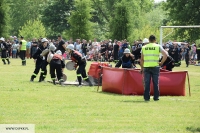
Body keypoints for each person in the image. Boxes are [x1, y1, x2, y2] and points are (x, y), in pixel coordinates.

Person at [140, 35, 168, 101]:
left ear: (149, 40)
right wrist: (161, 62)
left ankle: (146, 98)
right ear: (155, 40)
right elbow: (166, 54)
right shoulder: (158, 46)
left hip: (146, 67)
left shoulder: (144, 47)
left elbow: (141, 59)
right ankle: (156, 97)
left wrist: (141, 68)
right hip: (155, 66)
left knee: (147, 83)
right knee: (156, 83)